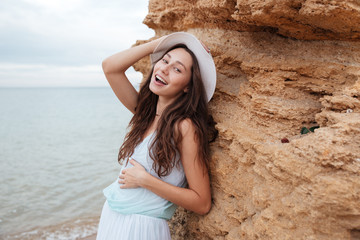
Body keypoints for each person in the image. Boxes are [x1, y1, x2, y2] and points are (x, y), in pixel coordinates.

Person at [96, 32, 217, 240]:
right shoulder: (144, 114)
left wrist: (145, 180)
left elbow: (202, 202)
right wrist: (160, 44)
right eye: (164, 60)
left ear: (188, 85)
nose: (164, 69)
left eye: (177, 69)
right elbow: (110, 67)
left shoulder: (184, 127)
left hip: (142, 229)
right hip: (111, 220)